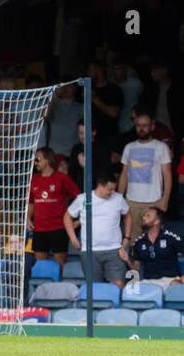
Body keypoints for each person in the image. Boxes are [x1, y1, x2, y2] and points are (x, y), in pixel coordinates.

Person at [63, 171, 131, 289]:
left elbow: (128, 215)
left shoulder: (118, 198)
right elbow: (67, 216)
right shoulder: (83, 199)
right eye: (109, 189)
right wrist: (73, 238)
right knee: (94, 289)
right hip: (89, 251)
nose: (112, 192)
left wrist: (127, 237)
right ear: (100, 185)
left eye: (114, 189)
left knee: (118, 285)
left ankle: (116, 308)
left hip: (115, 250)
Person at [117, 111, 172, 242]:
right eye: (138, 125)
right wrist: (119, 198)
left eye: (145, 125)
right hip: (132, 202)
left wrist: (165, 200)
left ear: (152, 126)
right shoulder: (128, 147)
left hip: (154, 202)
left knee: (155, 240)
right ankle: (134, 263)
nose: (141, 128)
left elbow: (168, 175)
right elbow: (124, 174)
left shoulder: (161, 147)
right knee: (132, 241)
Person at [29, 148, 80, 267]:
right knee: (40, 266)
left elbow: (80, 198)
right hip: (39, 229)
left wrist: (77, 221)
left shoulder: (62, 178)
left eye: (38, 159)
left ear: (47, 159)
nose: (35, 162)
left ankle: (58, 286)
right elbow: (31, 201)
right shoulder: (34, 179)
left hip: (58, 228)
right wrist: (28, 219)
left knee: (59, 265)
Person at [129, 208, 183, 288]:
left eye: (148, 216)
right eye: (144, 215)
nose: (143, 218)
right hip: (149, 282)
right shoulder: (139, 242)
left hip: (171, 281)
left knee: (176, 285)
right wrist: (127, 260)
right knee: (129, 288)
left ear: (156, 221)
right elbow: (135, 270)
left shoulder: (170, 238)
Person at [67, 121, 114, 190]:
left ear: (94, 132)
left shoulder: (102, 149)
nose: (83, 136)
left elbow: (103, 176)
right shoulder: (75, 149)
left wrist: (85, 166)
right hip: (77, 193)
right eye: (80, 133)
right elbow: (71, 175)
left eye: (86, 133)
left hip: (95, 193)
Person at [44, 84, 83, 163]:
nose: (65, 88)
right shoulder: (52, 105)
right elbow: (44, 117)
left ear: (75, 89)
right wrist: (54, 96)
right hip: (53, 154)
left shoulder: (81, 107)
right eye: (62, 86)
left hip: (72, 154)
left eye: (69, 86)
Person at [87, 61, 123, 141]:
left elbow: (114, 113)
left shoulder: (114, 89)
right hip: (90, 137)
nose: (88, 74)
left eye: (91, 71)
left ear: (99, 71)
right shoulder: (86, 89)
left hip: (109, 137)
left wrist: (93, 99)